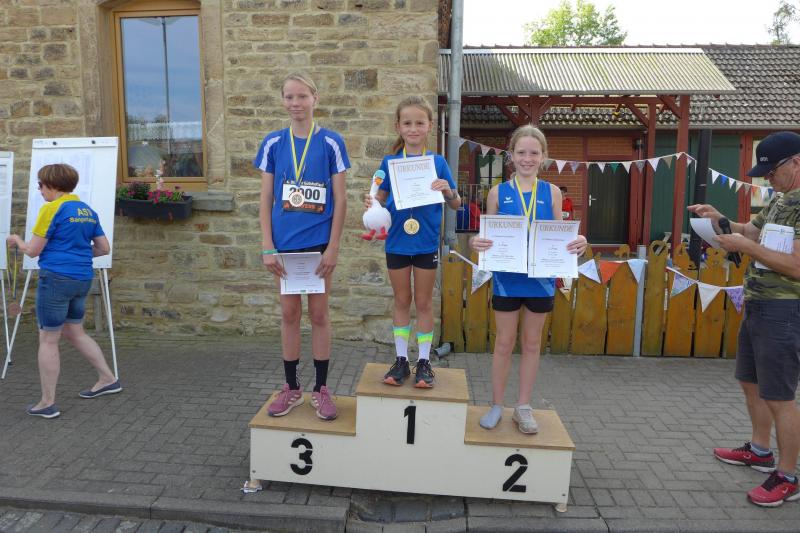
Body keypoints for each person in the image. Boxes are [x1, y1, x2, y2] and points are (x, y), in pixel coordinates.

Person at [689, 130, 800, 507]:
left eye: (772, 171)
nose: (767, 178)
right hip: (758, 303)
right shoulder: (780, 199)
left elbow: (796, 265)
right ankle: (759, 450)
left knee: (780, 396)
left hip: (785, 310)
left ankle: (787, 476)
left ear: (796, 162)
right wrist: (719, 220)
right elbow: (749, 231)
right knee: (750, 382)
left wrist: (747, 247)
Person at [470, 125, 587, 434]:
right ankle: (497, 404)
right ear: (511, 155)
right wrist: (475, 242)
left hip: (540, 280)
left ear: (543, 156)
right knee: (504, 342)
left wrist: (579, 242)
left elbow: (561, 236)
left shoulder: (552, 193)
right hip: (507, 280)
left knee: (532, 343)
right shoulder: (497, 193)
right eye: (521, 152)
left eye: (534, 152)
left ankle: (523, 406)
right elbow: (487, 236)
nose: (527, 158)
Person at [254, 73, 349, 421]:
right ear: (283, 100)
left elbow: (341, 198)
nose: (295, 103)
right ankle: (292, 388)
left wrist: (333, 247)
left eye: (302, 96)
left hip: (319, 245)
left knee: (319, 315)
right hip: (284, 247)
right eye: (289, 97)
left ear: (315, 98)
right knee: (289, 315)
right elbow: (265, 197)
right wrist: (267, 245)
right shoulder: (272, 143)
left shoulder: (331, 142)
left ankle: (321, 389)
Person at [7, 164, 118, 419]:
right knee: (74, 331)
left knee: (48, 339)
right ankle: (108, 379)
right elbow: (103, 248)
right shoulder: (87, 210)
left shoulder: (52, 209)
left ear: (52, 185)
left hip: (56, 279)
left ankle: (47, 402)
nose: (40, 190)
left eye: (40, 185)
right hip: (82, 278)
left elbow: (32, 251)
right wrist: (77, 254)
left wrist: (16, 240)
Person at [364, 96, 460, 388]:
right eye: (407, 123)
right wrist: (372, 203)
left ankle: (425, 362)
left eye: (420, 123)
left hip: (425, 243)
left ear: (430, 126)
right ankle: (401, 360)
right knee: (402, 300)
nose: (413, 128)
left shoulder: (437, 162)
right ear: (398, 126)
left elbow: (456, 203)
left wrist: (448, 191)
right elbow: (379, 198)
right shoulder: (389, 162)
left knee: (424, 302)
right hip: (397, 242)